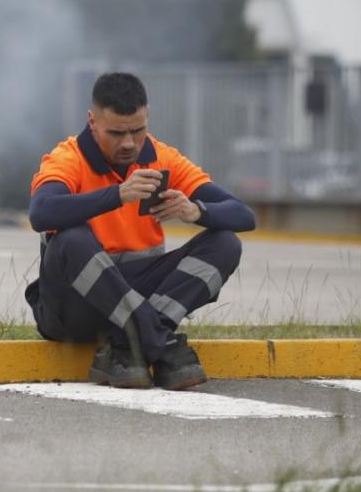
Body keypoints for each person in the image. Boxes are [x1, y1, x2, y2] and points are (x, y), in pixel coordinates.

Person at [24, 72, 254, 390]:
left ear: (147, 118)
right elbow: (41, 212)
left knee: (225, 242)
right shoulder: (68, 157)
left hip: (133, 301)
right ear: (93, 122)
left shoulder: (163, 157)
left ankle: (127, 344)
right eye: (116, 133)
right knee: (71, 238)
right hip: (73, 311)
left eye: (138, 130)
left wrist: (196, 211)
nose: (129, 143)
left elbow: (244, 215)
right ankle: (160, 344)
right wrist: (118, 194)